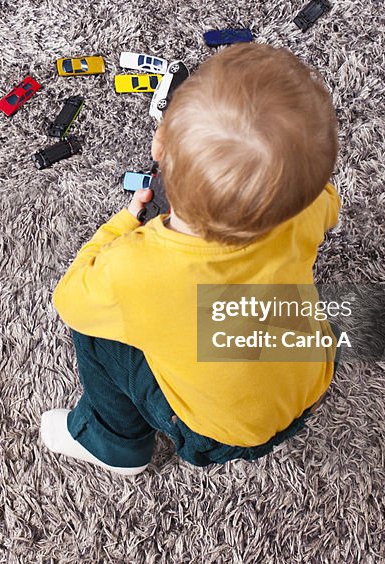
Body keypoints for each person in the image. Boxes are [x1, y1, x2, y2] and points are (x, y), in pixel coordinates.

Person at [40, 43, 342, 475]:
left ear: (158, 146)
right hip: (309, 378)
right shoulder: (307, 207)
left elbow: (69, 300)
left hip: (218, 433)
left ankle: (111, 441)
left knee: (96, 336)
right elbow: (330, 208)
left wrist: (121, 226)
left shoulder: (134, 267)